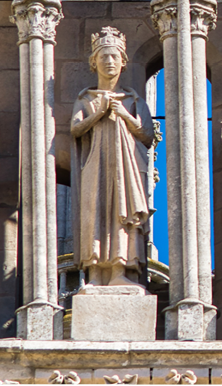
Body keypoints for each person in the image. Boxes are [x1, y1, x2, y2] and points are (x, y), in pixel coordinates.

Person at [70, 27, 156, 287]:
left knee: (123, 211)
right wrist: (98, 113)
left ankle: (120, 269)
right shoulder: (86, 98)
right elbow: (76, 128)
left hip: (125, 167)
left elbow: (147, 134)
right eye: (104, 57)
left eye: (115, 57)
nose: (110, 62)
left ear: (123, 62)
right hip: (96, 165)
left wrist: (125, 114)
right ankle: (95, 273)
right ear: (94, 63)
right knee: (95, 212)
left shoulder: (133, 99)